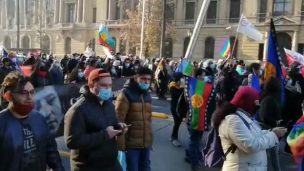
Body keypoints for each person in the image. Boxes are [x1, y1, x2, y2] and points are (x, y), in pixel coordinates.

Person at [64, 68, 127, 171]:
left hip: (111, 164)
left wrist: (119, 128)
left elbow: (110, 126)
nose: (108, 89)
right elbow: (72, 142)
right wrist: (105, 135)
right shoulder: (78, 110)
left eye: (110, 86)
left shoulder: (109, 105)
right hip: (88, 166)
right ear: (91, 85)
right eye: (103, 86)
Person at [212, 86, 287, 171]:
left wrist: (271, 132)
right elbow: (250, 145)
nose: (258, 106)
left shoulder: (243, 118)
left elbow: (254, 135)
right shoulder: (233, 120)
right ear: (247, 102)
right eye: (256, 103)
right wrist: (274, 135)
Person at [0, 71, 64, 171]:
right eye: (23, 93)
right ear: (9, 96)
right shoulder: (2, 122)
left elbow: (51, 151)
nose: (30, 97)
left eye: (32, 92)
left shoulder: (39, 118)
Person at [116, 67, 153, 171]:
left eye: (149, 80)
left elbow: (148, 120)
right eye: (143, 79)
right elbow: (119, 121)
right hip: (131, 146)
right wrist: (121, 147)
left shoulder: (147, 94)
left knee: (146, 168)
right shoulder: (126, 94)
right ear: (136, 78)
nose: (146, 82)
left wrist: (150, 141)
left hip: (145, 144)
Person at [258, 77, 283, 171]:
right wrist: (276, 121)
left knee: (271, 155)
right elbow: (264, 116)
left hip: (270, 129)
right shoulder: (269, 99)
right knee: (270, 156)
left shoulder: (269, 96)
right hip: (269, 129)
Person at [168, 72, 187, 147]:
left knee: (178, 123)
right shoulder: (173, 86)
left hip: (182, 107)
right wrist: (182, 87)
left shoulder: (183, 86)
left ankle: (173, 136)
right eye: (182, 78)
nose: (184, 79)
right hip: (175, 108)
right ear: (178, 79)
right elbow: (176, 97)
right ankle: (174, 138)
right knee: (177, 122)